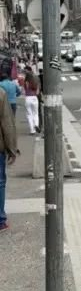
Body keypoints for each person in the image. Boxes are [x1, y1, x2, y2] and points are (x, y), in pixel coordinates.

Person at [0, 87, 17, 232]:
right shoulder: (0, 93)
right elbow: (7, 123)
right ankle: (0, 220)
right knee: (0, 182)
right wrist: (12, 149)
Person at [24, 66, 40, 135]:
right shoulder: (36, 81)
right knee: (35, 113)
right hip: (34, 98)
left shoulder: (26, 82)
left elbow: (24, 90)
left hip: (28, 98)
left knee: (29, 114)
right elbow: (37, 92)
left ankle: (32, 130)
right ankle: (36, 124)